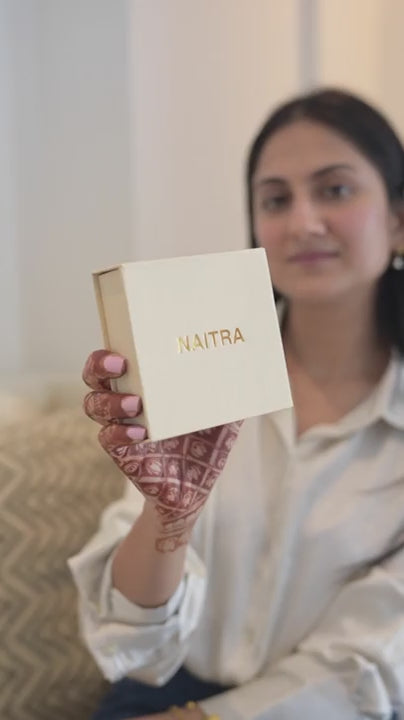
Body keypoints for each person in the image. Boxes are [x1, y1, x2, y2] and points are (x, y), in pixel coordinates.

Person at [69, 88, 404, 720]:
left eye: (335, 190)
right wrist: (168, 520)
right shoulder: (197, 371)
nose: (302, 222)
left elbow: (372, 664)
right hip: (158, 696)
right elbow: (133, 649)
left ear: (397, 219)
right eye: (276, 199)